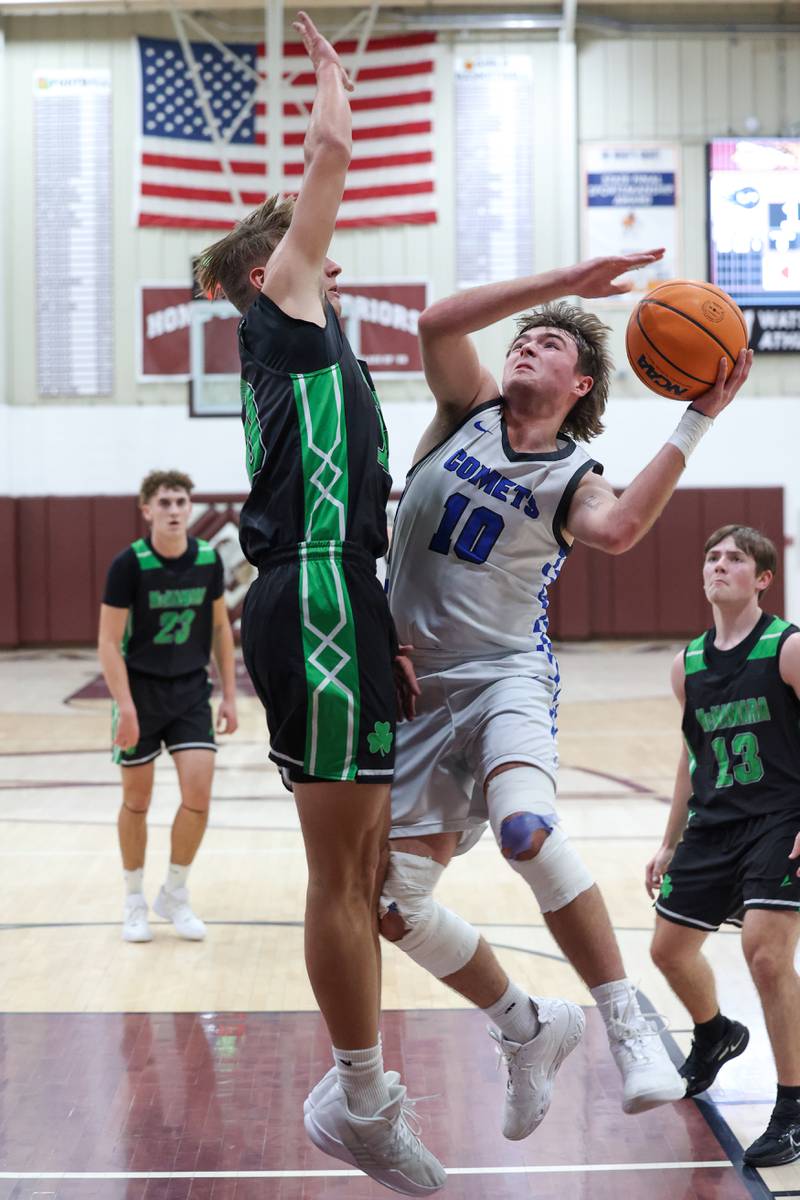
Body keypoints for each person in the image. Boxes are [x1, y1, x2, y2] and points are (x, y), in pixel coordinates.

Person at [379, 254, 753, 1135]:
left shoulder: (575, 476)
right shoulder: (466, 410)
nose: (527, 345)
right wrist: (570, 282)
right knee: (393, 907)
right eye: (523, 338)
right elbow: (436, 320)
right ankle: (528, 1024)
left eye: (549, 344)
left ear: (580, 382)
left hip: (507, 674)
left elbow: (621, 528)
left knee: (525, 829)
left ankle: (627, 1021)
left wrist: (697, 420)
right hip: (415, 692)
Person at [196, 14, 448, 1194]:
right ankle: (358, 1097)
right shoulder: (283, 312)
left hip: (337, 598)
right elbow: (329, 169)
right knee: (343, 873)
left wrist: (381, 615)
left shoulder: (313, 347)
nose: (330, 262)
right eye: (309, 252)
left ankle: (361, 1091)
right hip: (309, 600)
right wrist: (331, 89)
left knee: (363, 873)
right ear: (271, 270)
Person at [647, 525, 800, 1168]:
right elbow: (692, 756)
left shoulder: (787, 648)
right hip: (713, 823)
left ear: (762, 578)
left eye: (736, 559)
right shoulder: (687, 664)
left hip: (777, 818)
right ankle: (715, 1034)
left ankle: (793, 1108)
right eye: (712, 556)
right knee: (669, 950)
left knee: (765, 957)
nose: (720, 565)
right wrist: (668, 841)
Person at [98, 469, 238, 943]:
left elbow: (221, 629)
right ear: (147, 511)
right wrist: (125, 707)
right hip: (139, 693)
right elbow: (108, 642)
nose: (175, 510)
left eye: (181, 502)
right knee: (136, 802)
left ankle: (174, 892)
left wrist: (230, 694)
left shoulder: (206, 560)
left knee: (198, 797)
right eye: (165, 503)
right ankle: (134, 897)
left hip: (190, 693)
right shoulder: (129, 564)